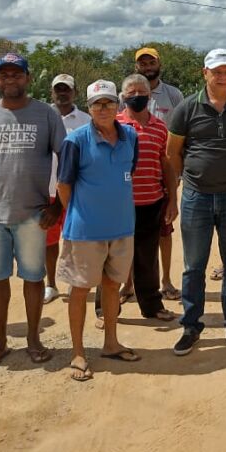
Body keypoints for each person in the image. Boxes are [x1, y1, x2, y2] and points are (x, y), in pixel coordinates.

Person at [0, 53, 66, 369]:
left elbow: (66, 159)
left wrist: (57, 205)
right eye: (4, 75)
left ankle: (34, 339)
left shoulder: (46, 115)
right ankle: (0, 342)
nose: (10, 80)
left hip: (34, 213)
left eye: (16, 74)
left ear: (28, 78)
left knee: (33, 279)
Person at [166, 48, 226, 355]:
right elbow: (172, 152)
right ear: (204, 72)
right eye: (216, 71)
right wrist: (192, 179)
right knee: (194, 265)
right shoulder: (186, 108)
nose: (222, 77)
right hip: (197, 196)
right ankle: (191, 326)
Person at [56, 80, 140, 381]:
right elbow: (63, 186)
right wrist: (81, 213)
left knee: (112, 286)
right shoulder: (75, 141)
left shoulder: (130, 136)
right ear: (89, 108)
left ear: (117, 105)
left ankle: (111, 343)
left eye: (108, 103)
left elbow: (129, 174)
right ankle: (78, 352)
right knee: (80, 289)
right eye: (97, 104)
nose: (103, 109)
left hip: (121, 227)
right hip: (85, 231)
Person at [114, 74, 179, 321]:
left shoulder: (160, 127)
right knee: (114, 258)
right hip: (119, 204)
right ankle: (105, 310)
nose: (137, 96)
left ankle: (152, 306)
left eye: (142, 91)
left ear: (150, 95)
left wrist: (172, 199)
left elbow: (167, 165)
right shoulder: (115, 125)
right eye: (131, 92)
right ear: (123, 96)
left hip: (151, 202)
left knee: (147, 257)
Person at [133, 47, 184, 300]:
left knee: (164, 229)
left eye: (151, 61)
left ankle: (165, 280)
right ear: (137, 67)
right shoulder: (129, 93)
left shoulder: (173, 94)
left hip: (166, 170)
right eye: (143, 63)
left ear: (158, 63)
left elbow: (183, 131)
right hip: (135, 175)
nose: (147, 66)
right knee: (131, 233)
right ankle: (129, 285)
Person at [45, 74, 91, 304]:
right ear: (52, 92)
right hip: (47, 189)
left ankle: (76, 282)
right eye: (58, 89)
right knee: (49, 241)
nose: (62, 93)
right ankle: (50, 285)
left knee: (75, 239)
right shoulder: (42, 116)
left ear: (75, 92)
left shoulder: (85, 120)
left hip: (76, 190)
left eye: (67, 89)